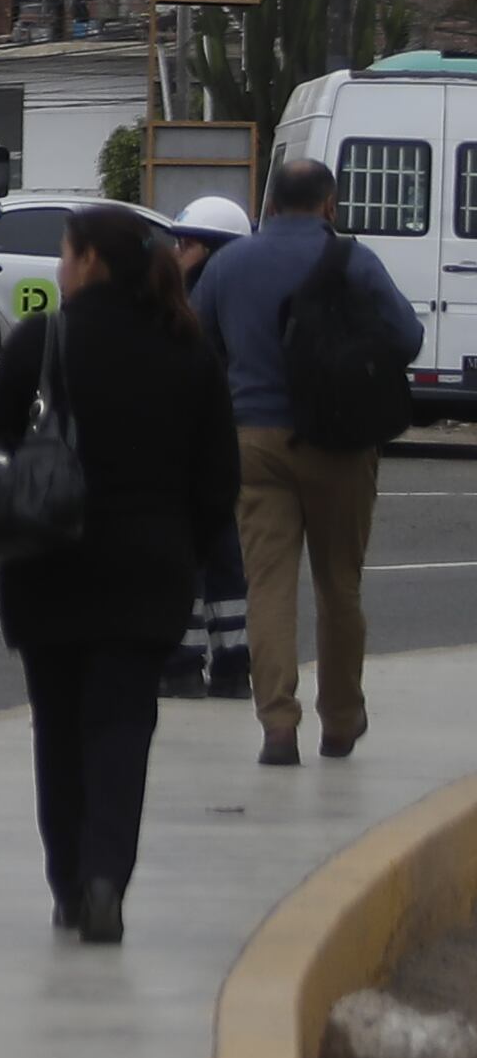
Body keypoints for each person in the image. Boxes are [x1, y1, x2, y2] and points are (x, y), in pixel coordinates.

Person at [0, 203, 239, 941]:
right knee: (123, 726)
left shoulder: (42, 340)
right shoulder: (188, 348)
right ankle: (105, 879)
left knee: (57, 730)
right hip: (149, 570)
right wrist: (184, 546)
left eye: (64, 253)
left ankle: (67, 884)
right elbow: (219, 479)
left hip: (46, 565)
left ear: (88, 261)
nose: (60, 266)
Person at [187, 158, 421, 765]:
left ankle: (277, 725)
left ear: (267, 206)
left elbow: (198, 345)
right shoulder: (354, 260)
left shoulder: (229, 265)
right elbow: (407, 337)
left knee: (268, 584)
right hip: (340, 442)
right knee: (339, 585)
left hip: (256, 441)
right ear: (329, 205)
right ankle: (340, 719)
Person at [164, 195, 255, 702]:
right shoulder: (248, 294)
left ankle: (181, 664)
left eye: (187, 243)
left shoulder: (195, 301)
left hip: (196, 446)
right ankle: (233, 666)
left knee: (188, 556)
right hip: (235, 443)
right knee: (226, 559)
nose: (178, 253)